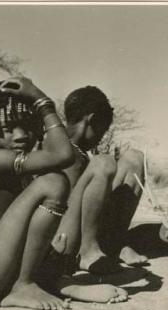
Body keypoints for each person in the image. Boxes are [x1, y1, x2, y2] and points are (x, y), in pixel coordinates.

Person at [0, 77, 127, 310]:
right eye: (9, 128)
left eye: (27, 125)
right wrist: (43, 103)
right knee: (54, 183)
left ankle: (56, 285)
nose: (21, 135)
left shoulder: (19, 170)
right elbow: (64, 155)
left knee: (56, 207)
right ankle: (24, 285)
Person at [56, 85, 147, 275]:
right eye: (102, 130)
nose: (101, 137)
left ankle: (115, 243)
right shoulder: (58, 146)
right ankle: (87, 251)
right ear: (92, 120)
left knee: (134, 158)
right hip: (62, 236)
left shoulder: (78, 150)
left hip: (81, 224)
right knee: (103, 163)